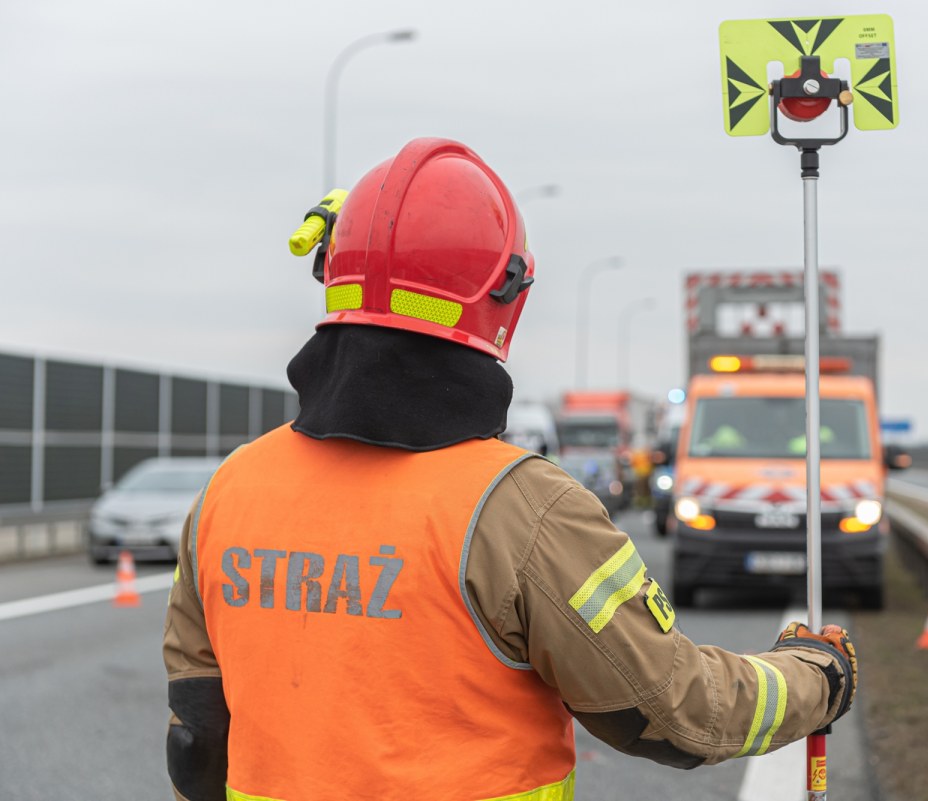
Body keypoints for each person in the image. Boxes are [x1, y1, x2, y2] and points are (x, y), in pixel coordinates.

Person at [163, 138, 858, 801]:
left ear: (334, 277)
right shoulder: (521, 508)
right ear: (505, 295)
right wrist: (813, 676)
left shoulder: (232, 488)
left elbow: (198, 739)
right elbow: (675, 710)